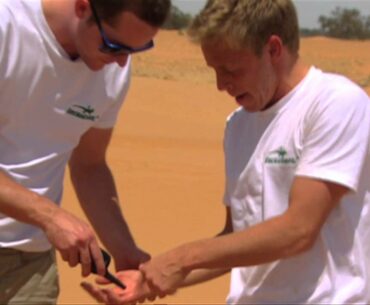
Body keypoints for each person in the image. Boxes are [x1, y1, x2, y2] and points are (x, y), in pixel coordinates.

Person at [82, 0, 370, 304]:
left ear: (273, 49)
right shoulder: (238, 124)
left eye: (231, 69)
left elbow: (299, 229)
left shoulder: (335, 104)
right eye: (214, 70)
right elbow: (236, 239)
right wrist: (147, 281)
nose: (221, 84)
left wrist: (183, 258)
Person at [0, 0, 170, 304]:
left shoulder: (114, 67)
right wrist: (50, 217)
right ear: (82, 7)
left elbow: (90, 164)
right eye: (113, 45)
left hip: (30, 267)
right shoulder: (7, 27)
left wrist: (124, 248)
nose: (121, 62)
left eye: (136, 50)